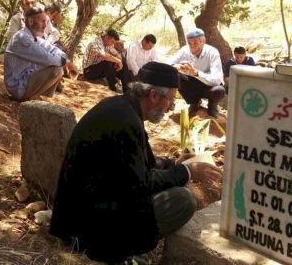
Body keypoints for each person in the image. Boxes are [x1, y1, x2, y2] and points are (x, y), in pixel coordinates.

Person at [50, 61, 223, 265]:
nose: (171, 107)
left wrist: (173, 163)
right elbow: (140, 183)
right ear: (153, 96)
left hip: (84, 214)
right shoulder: (125, 121)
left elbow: (139, 162)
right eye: (171, 100)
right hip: (89, 229)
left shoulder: (122, 108)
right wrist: (187, 172)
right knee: (182, 200)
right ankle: (118, 251)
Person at [4, 7, 78, 101]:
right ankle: (28, 97)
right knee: (56, 69)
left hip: (24, 80)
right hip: (18, 87)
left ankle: (34, 95)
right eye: (42, 21)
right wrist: (67, 63)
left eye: (46, 22)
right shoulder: (22, 38)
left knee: (57, 62)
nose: (45, 26)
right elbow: (46, 58)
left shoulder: (32, 37)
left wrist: (68, 62)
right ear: (31, 22)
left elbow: (51, 48)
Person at [167, 28, 225, 118]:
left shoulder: (212, 52)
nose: (192, 46)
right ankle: (194, 103)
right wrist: (178, 67)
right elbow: (168, 64)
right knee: (176, 76)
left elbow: (217, 80)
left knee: (219, 90)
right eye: (189, 43)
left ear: (203, 41)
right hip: (192, 85)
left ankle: (212, 106)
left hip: (209, 86)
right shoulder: (185, 50)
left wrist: (197, 73)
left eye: (195, 43)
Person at [82, 28, 130, 93]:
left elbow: (116, 54)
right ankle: (113, 88)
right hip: (89, 71)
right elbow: (104, 56)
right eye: (112, 42)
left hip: (101, 69)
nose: (112, 44)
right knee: (107, 62)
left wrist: (119, 61)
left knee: (123, 61)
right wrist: (118, 61)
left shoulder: (107, 44)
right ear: (107, 37)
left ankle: (126, 89)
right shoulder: (95, 43)